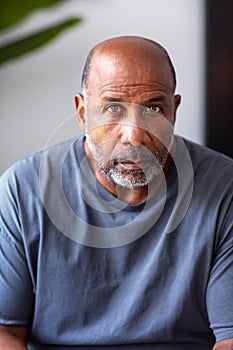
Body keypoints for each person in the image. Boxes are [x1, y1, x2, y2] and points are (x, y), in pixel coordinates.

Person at [0, 35, 232, 350]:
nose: (134, 134)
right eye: (112, 108)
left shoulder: (224, 188)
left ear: (173, 111)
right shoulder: (22, 189)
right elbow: (5, 331)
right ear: (82, 112)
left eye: (153, 108)